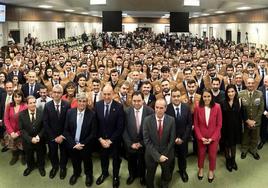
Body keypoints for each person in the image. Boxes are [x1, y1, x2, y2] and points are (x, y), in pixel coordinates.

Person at [64, 92, 97, 186]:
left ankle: (89, 175)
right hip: (73, 144)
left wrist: (82, 144)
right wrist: (73, 144)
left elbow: (93, 133)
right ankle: (76, 173)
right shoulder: (70, 112)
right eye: (80, 101)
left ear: (87, 102)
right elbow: (66, 131)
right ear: (76, 102)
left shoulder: (92, 114)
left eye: (84, 101)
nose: (82, 103)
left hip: (85, 144)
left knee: (87, 161)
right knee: (75, 160)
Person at [95, 84, 124, 188]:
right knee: (103, 159)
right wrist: (101, 139)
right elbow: (96, 125)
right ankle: (104, 173)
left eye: (109, 94)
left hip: (114, 141)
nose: (107, 97)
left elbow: (120, 127)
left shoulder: (119, 107)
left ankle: (115, 176)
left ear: (113, 94)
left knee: (116, 160)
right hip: (101, 140)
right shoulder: (97, 105)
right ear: (102, 94)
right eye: (105, 94)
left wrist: (110, 141)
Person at [123, 91, 154, 186]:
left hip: (144, 144)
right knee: (131, 161)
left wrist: (142, 143)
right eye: (134, 101)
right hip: (130, 144)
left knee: (143, 162)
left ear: (143, 100)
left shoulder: (150, 111)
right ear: (131, 101)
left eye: (139, 101)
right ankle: (132, 175)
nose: (136, 103)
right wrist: (130, 143)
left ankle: (142, 176)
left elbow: (151, 130)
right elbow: (124, 129)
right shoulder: (126, 111)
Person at [143, 98, 176, 188]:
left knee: (166, 174)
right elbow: (146, 140)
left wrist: (163, 155)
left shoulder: (171, 120)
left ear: (165, 108)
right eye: (157, 107)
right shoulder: (147, 120)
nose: (158, 110)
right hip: (151, 153)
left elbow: (172, 140)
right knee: (150, 175)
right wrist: (158, 156)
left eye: (161, 108)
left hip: (167, 153)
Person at [194, 89, 222, 183]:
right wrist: (200, 137)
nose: (206, 98)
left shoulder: (217, 107)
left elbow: (219, 125)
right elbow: (196, 124)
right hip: (201, 137)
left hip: (213, 137)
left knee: (212, 155)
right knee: (201, 154)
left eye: (208, 96)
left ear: (212, 97)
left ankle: (211, 170)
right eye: (204, 96)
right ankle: (201, 168)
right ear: (202, 97)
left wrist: (212, 138)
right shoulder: (197, 107)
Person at [43, 84, 70, 179]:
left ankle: (63, 167)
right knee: (53, 152)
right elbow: (45, 123)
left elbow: (68, 122)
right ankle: (55, 167)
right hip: (52, 136)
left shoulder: (67, 105)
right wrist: (54, 137)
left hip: (64, 135)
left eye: (59, 93)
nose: (57, 94)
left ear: (62, 94)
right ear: (51, 94)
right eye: (55, 92)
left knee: (64, 152)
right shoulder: (47, 106)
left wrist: (62, 136)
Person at [166, 88, 192, 183]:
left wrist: (183, 138)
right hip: (170, 139)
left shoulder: (186, 107)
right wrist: (173, 139)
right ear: (171, 97)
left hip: (183, 139)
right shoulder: (167, 108)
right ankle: (169, 173)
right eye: (174, 96)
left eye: (178, 96)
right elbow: (165, 126)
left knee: (182, 157)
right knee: (171, 158)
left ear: (181, 96)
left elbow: (189, 125)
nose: (176, 98)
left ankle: (182, 171)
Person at [19, 96, 46, 177]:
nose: (33, 104)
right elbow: (22, 130)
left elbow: (44, 127)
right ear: (27, 104)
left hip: (39, 140)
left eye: (34, 102)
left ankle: (41, 167)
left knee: (40, 155)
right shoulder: (21, 114)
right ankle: (30, 167)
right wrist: (30, 139)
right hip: (28, 141)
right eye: (30, 103)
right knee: (29, 155)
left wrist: (39, 136)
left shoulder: (41, 112)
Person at [239, 78, 264, 160]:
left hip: (256, 121)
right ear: (246, 84)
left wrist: (254, 121)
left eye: (252, 83)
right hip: (245, 121)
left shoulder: (259, 94)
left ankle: (254, 150)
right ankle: (244, 150)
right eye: (248, 83)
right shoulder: (241, 94)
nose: (250, 85)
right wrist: (247, 120)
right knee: (245, 136)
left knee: (255, 136)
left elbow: (261, 109)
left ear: (255, 84)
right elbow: (240, 109)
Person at [221, 85, 242, 172]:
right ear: (226, 93)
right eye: (229, 92)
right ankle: (228, 160)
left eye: (232, 91)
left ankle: (233, 161)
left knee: (233, 145)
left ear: (235, 92)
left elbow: (241, 115)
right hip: (225, 128)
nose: (230, 93)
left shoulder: (239, 101)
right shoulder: (223, 103)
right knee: (226, 145)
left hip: (236, 128)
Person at [4, 90, 27, 165]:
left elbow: (26, 123)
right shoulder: (9, 105)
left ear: (22, 97)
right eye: (15, 97)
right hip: (11, 131)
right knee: (13, 145)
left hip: (21, 132)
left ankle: (23, 156)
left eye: (19, 97)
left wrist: (18, 133)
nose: (17, 99)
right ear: (13, 97)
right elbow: (6, 119)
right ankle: (15, 156)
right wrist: (11, 132)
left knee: (22, 146)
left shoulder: (25, 106)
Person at [257, 75, 268, 150]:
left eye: (267, 82)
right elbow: (258, 103)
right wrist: (264, 112)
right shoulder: (260, 89)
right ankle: (263, 140)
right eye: (265, 81)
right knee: (263, 127)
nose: (265, 83)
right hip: (264, 112)